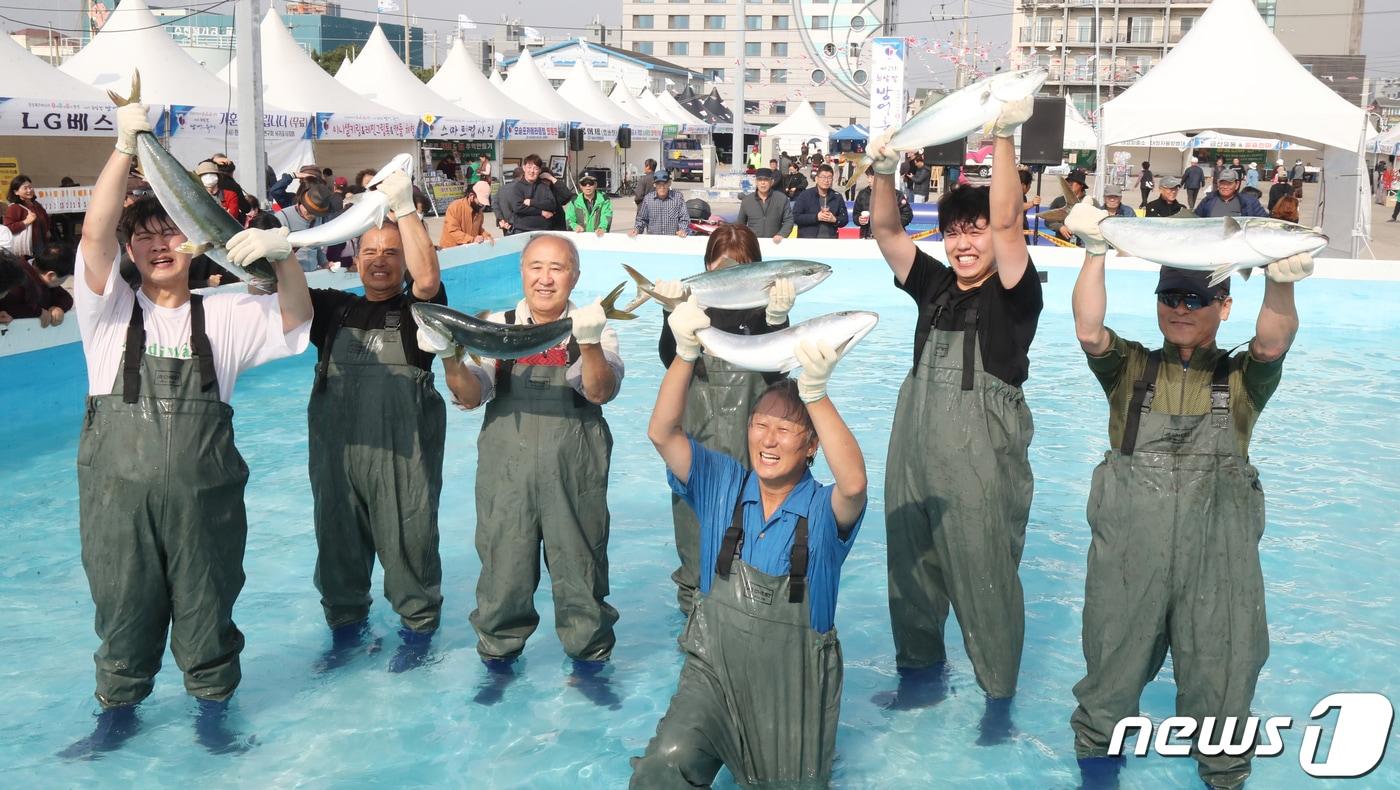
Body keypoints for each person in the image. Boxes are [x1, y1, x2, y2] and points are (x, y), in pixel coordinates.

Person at [61, 91, 311, 758]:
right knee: (122, 609)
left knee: (208, 609)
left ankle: (213, 713)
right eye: (143, 236)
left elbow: (296, 321)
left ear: (195, 241)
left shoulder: (225, 317)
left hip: (206, 508)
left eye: (170, 232)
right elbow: (93, 233)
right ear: (130, 251)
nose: (157, 244)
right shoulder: (106, 314)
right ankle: (116, 715)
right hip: (118, 508)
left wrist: (284, 255)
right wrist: (124, 146)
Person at [1063, 201, 1314, 790]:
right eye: (1169, 297)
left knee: (1223, 692)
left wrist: (1280, 281)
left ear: (1224, 306)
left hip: (1218, 565)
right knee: (1107, 690)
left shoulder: (1241, 378)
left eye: (1196, 298)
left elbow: (1274, 341)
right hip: (1130, 559)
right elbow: (1088, 329)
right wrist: (1096, 252)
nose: (1180, 309)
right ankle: (1097, 778)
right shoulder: (1128, 367)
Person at [630, 300, 867, 788]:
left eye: (786, 430)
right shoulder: (723, 484)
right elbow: (662, 432)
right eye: (761, 425)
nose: (769, 439)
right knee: (661, 769)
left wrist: (816, 394)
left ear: (811, 445)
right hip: (711, 675)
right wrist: (685, 353)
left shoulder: (823, 513)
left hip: (790, 691)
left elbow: (855, 486)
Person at [866, 99, 1042, 739]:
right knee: (909, 567)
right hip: (914, 450)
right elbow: (887, 233)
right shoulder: (935, 286)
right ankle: (921, 679)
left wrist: (1000, 138)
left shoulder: (1015, 293)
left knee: (984, 574)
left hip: (980, 461)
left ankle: (998, 702)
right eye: (955, 233)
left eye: (975, 232)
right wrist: (883, 170)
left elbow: (1009, 225)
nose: (966, 243)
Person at [430, 234, 623, 707]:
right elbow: (471, 396)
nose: (545, 277)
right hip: (506, 472)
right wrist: (449, 355)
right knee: (503, 569)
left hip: (573, 469)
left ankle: (589, 663)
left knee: (581, 567)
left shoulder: (594, 327)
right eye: (536, 266)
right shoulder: (495, 326)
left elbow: (600, 392)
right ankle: (498, 661)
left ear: (574, 276)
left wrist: (591, 342)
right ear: (521, 270)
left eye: (557, 268)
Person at [303, 171, 448, 674]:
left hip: (401, 460)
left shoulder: (419, 313)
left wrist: (405, 210)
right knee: (337, 549)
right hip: (337, 460)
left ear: (403, 259)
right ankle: (345, 633)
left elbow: (428, 280)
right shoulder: (330, 308)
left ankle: (417, 633)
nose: (380, 260)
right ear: (354, 259)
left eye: (391, 253)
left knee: (410, 547)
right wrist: (280, 243)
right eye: (369, 252)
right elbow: (278, 291)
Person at [652, 224, 797, 615]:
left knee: (758, 564)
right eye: (721, 267)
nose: (731, 274)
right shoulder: (692, 316)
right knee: (697, 564)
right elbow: (671, 362)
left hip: (756, 467)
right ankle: (695, 645)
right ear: (707, 268)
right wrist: (670, 315)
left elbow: (778, 377)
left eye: (743, 267)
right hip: (696, 459)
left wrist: (778, 321)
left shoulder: (766, 316)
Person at [0, 245, 72, 327]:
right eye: (64, 279)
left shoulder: (45, 281)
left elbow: (66, 297)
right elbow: (8, 307)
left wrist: (59, 307)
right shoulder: (13, 277)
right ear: (51, 275)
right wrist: (38, 312)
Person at [276, 183, 334, 271]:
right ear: (301, 202)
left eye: (315, 213)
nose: (311, 215)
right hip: (291, 274)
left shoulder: (318, 218)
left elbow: (316, 246)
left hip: (313, 272)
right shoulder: (283, 217)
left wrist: (325, 263)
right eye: (309, 210)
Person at [501, 154, 560, 234]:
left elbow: (551, 204)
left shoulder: (544, 187)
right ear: (524, 168)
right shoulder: (517, 187)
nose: (532, 171)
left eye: (535, 168)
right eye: (529, 167)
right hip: (522, 229)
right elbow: (518, 207)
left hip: (543, 230)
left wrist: (532, 202)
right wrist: (541, 212)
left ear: (539, 170)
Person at [734, 168, 795, 243]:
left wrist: (781, 234)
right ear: (756, 182)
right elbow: (740, 224)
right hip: (753, 244)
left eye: (766, 180)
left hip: (775, 244)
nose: (763, 183)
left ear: (772, 182)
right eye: (760, 180)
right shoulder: (747, 201)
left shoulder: (781, 199)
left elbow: (788, 220)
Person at [792, 164, 849, 239]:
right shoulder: (805, 195)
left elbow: (844, 219)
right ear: (816, 179)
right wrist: (816, 217)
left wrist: (835, 220)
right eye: (823, 177)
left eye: (829, 177)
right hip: (808, 241)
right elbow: (795, 217)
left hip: (830, 241)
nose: (826, 180)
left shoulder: (837, 197)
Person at [854, 167, 912, 239]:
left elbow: (907, 215)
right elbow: (856, 214)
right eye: (868, 177)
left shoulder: (896, 195)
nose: (869, 180)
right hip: (868, 236)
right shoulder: (863, 194)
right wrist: (859, 219)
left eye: (872, 177)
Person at [630, 170, 689, 238]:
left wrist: (682, 229)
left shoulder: (678, 197)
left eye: (664, 183)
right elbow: (642, 219)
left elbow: (684, 218)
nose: (662, 187)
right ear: (654, 185)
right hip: (654, 242)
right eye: (659, 184)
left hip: (673, 241)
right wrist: (637, 229)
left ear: (669, 183)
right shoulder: (648, 199)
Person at [5, 175, 52, 258]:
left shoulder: (36, 205)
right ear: (16, 192)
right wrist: (25, 222)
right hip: (26, 249)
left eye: (30, 187)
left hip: (41, 245)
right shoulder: (14, 208)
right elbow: (8, 228)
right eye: (25, 188)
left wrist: (47, 229)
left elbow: (46, 218)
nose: (29, 190)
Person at [1194, 169, 1268, 218]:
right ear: (1218, 184)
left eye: (1229, 183)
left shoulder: (1250, 202)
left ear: (1237, 185)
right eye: (1222, 183)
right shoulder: (1208, 200)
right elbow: (1195, 220)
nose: (1225, 187)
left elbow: (1264, 222)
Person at [1047, 170, 1088, 243]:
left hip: (1084, 246)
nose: (1070, 184)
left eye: (1073, 181)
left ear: (1081, 185)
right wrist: (1060, 227)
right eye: (1068, 181)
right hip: (1061, 245)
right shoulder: (1058, 201)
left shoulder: (1090, 202)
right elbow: (1048, 220)